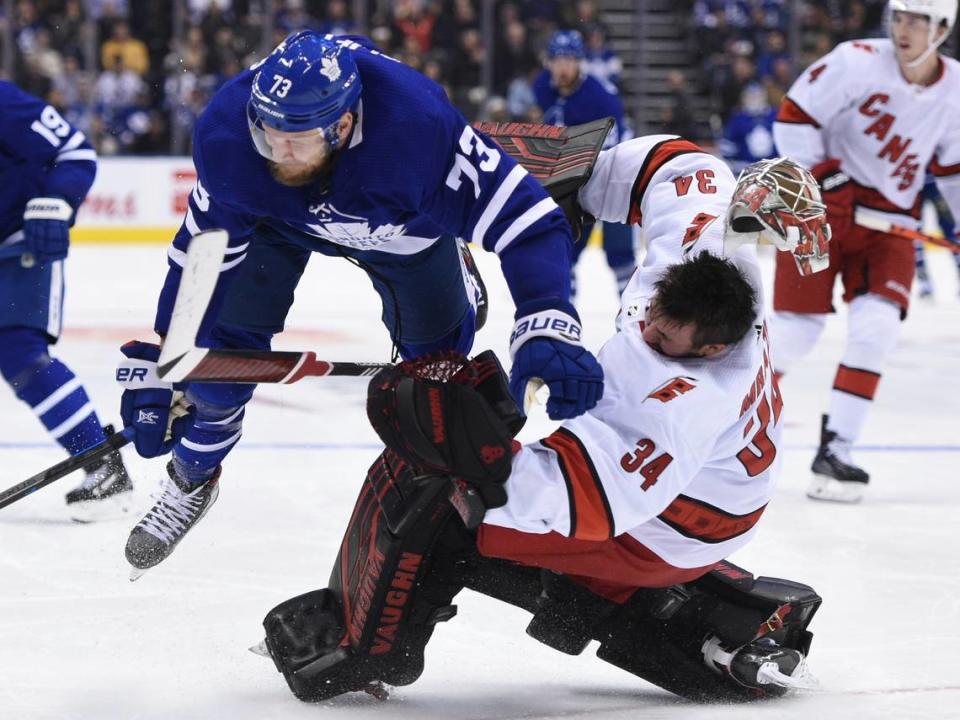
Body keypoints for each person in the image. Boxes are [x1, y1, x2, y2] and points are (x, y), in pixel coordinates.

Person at [252, 138, 828, 703]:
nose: (648, 332)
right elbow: (682, 166)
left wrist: (472, 448)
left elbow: (580, 505)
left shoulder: (685, 401)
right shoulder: (708, 254)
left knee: (444, 502)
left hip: (675, 527)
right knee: (447, 483)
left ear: (709, 351)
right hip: (698, 484)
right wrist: (582, 177)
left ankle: (365, 652)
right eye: (651, 317)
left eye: (665, 339)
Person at [116, 31, 604, 577]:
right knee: (214, 372)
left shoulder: (416, 131)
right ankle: (191, 477)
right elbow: (201, 259)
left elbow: (531, 221)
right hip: (275, 224)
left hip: (401, 233)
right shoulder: (230, 133)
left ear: (343, 125)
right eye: (267, 132)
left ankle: (456, 269)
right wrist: (171, 357)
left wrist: (546, 323)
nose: (278, 152)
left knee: (435, 378)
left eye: (296, 139)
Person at [771, 0, 960, 502]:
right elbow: (792, 118)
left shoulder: (956, 90)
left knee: (876, 330)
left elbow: (953, 170)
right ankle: (717, 422)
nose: (905, 29)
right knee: (794, 334)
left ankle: (837, 450)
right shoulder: (854, 60)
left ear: (942, 29)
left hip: (889, 226)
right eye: (899, 17)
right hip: (819, 210)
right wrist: (826, 177)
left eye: (918, 21)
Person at [0, 81, 133, 521]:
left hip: (19, 242)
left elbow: (74, 153)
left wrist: (56, 202)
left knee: (21, 354)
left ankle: (101, 464)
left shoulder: (5, 103)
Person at [534, 29, 635, 296]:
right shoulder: (543, 85)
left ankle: (634, 312)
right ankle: (562, 312)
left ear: (580, 62)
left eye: (569, 59)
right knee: (562, 248)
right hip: (570, 178)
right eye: (557, 60)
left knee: (620, 254)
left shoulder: (601, 97)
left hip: (612, 175)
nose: (562, 66)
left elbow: (612, 149)